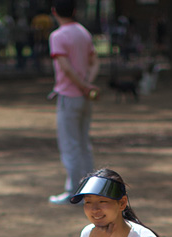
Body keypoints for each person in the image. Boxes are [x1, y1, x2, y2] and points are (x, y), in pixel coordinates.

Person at [47, 0, 100, 205]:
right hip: (85, 97)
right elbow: (94, 62)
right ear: (75, 11)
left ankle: (74, 191)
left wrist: (82, 86)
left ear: (54, 12)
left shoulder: (57, 36)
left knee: (70, 145)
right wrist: (88, 85)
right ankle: (92, 190)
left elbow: (66, 68)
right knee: (84, 143)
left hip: (69, 95)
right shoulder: (83, 32)